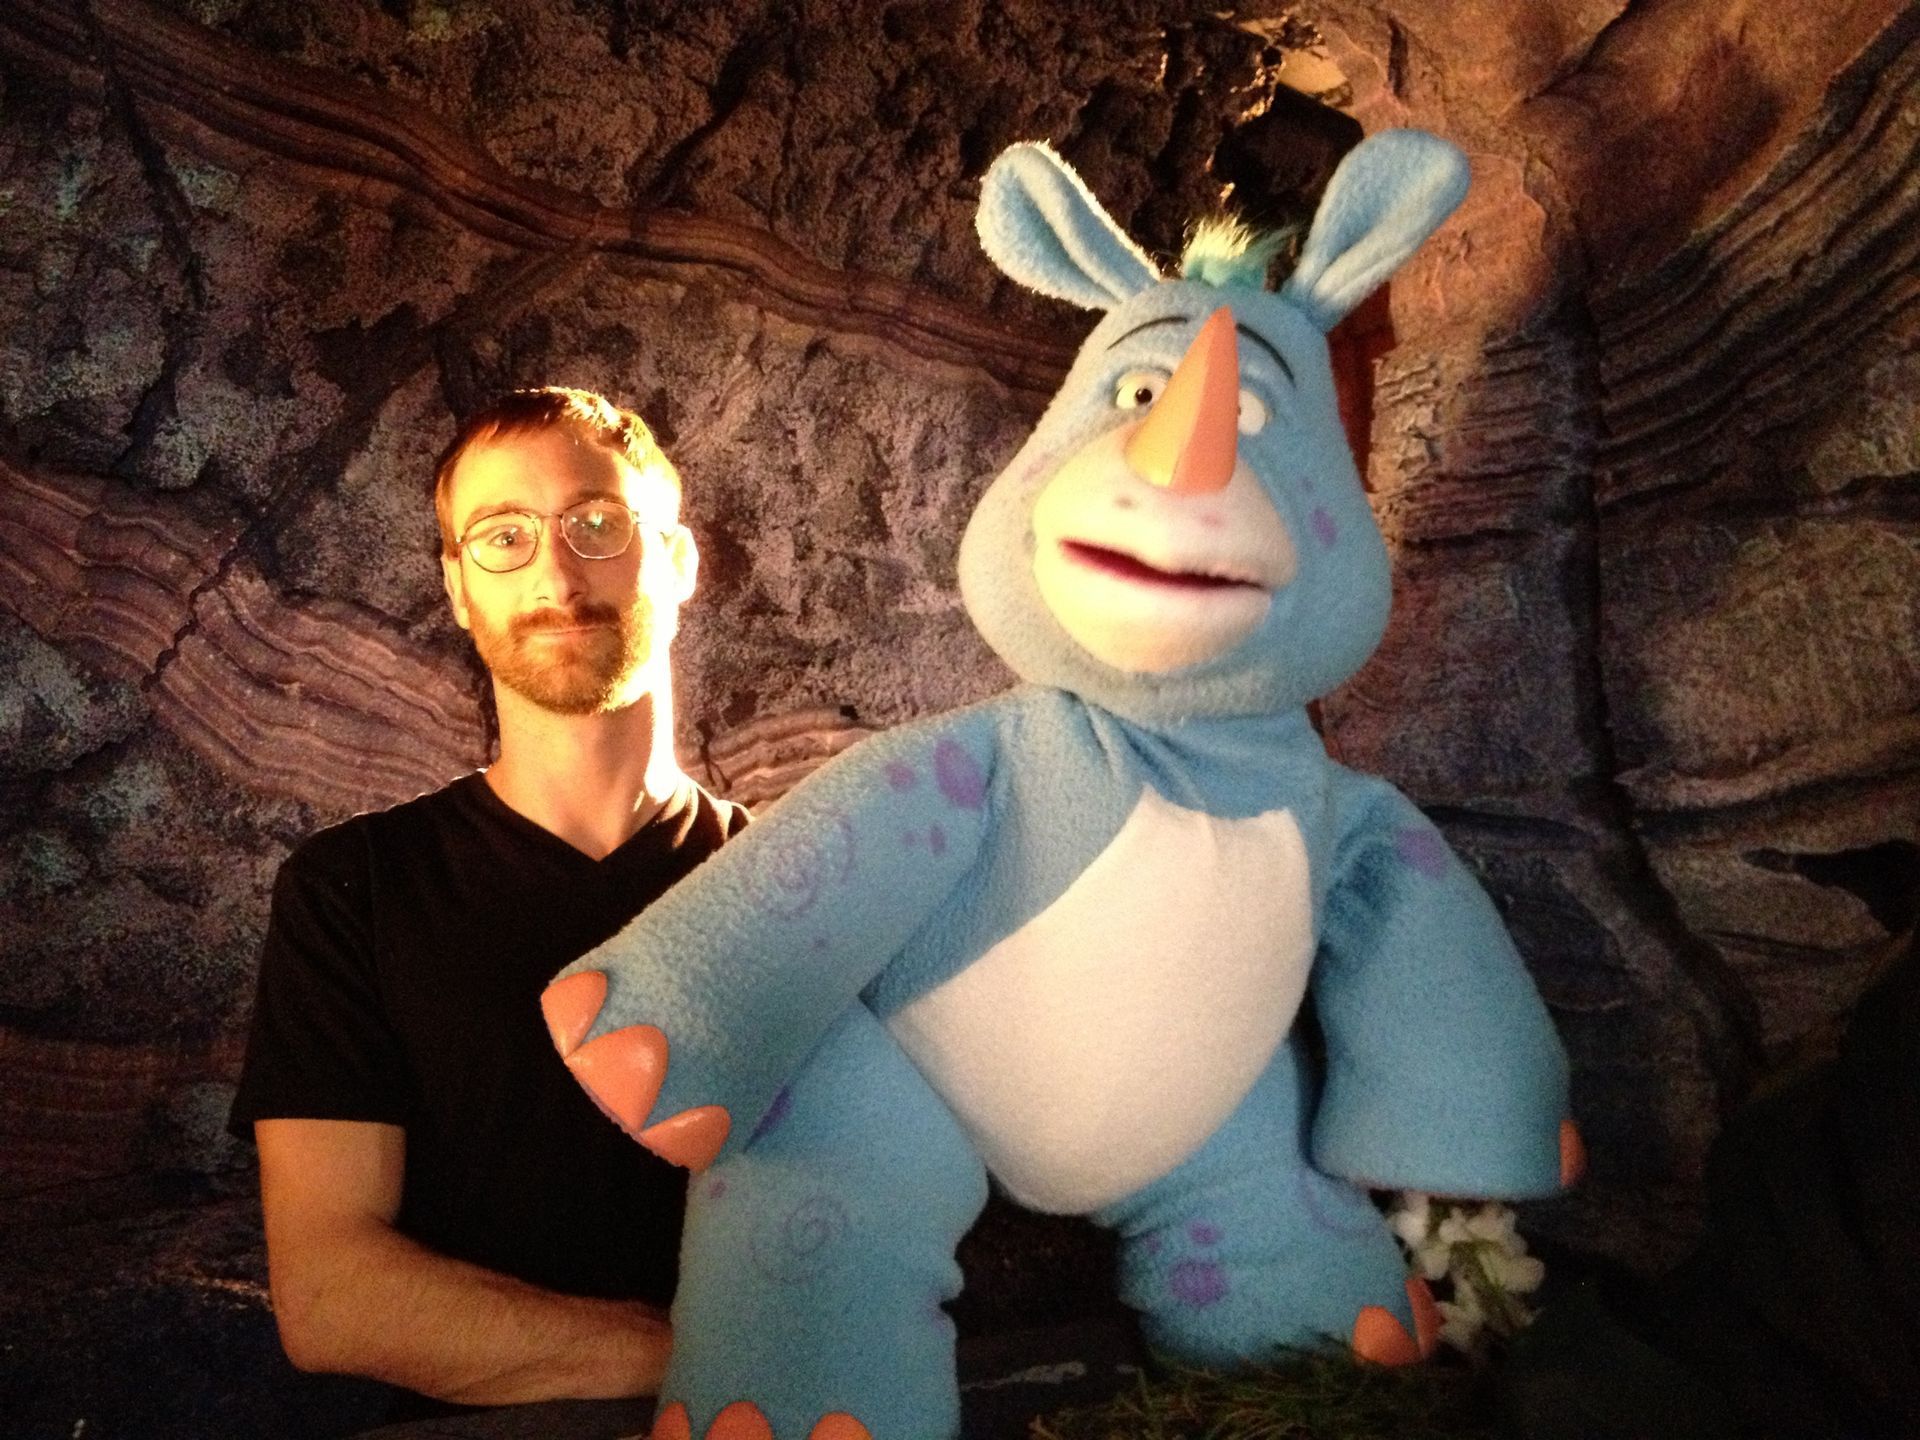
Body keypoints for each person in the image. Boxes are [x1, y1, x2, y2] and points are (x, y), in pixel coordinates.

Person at [228, 387, 747, 1418]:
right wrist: (699, 1361)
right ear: (459, 589)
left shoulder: (802, 883)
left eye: (597, 524)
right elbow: (331, 1295)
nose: (555, 573)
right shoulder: (350, 895)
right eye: (502, 537)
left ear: (680, 561)